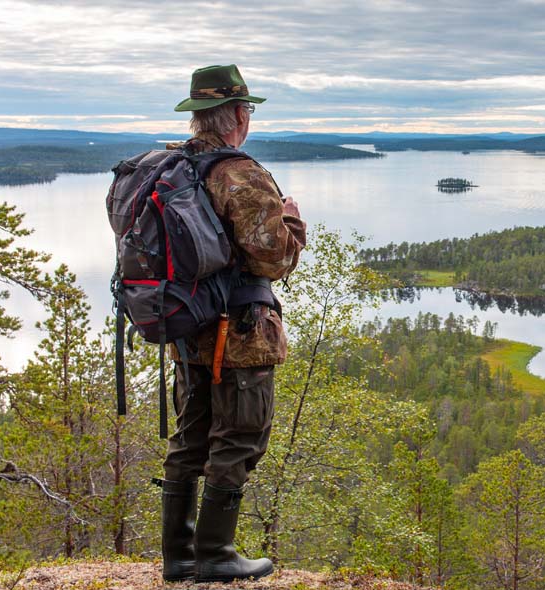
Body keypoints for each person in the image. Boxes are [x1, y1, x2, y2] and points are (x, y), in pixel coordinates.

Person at [153, 64, 306, 583]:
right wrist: (291, 221)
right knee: (239, 436)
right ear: (238, 114)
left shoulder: (171, 166)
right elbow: (272, 260)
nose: (249, 118)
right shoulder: (238, 173)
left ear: (197, 116)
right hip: (238, 332)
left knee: (190, 436)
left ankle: (179, 554)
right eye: (248, 110)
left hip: (185, 327)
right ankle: (215, 552)